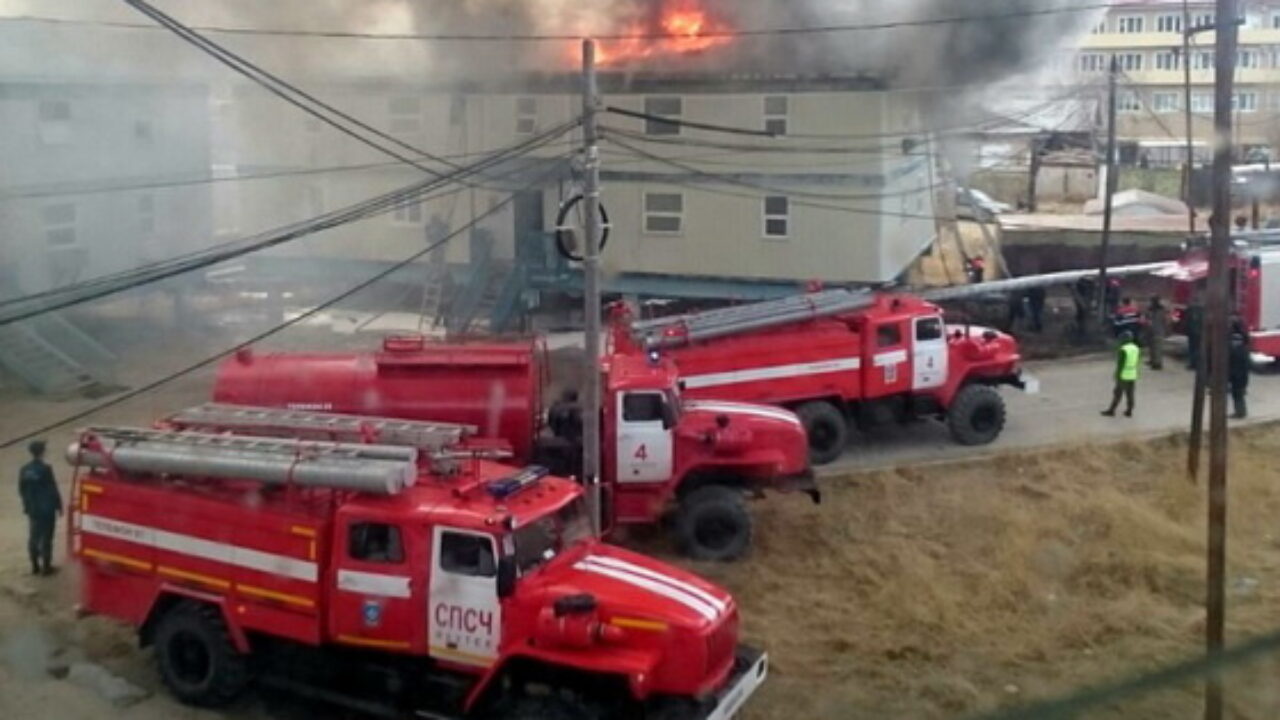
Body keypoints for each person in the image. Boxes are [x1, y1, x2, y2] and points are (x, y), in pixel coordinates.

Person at [18, 440, 62, 576]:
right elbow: (52, 488)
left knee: (34, 537)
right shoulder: (46, 469)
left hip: (33, 508)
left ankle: (35, 566)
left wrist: (27, 505)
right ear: (42, 452)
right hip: (47, 509)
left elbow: (21, 489)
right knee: (47, 538)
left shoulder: (24, 469)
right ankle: (46, 567)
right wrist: (59, 505)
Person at [1102, 331, 1140, 418]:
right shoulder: (1136, 348)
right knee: (1130, 394)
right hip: (1133, 374)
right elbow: (1138, 361)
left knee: (1117, 393)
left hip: (1123, 375)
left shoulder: (1123, 350)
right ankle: (1129, 411)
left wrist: (1116, 375)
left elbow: (1120, 365)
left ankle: (1111, 410)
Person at [1229, 321, 1251, 419]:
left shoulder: (1232, 342)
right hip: (1242, 374)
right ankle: (1241, 411)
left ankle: (1240, 412)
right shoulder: (1243, 347)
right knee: (1239, 393)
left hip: (1237, 374)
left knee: (1237, 394)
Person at [1145, 296, 1167, 370]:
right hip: (1156, 330)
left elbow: (1164, 320)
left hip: (1155, 330)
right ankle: (1154, 361)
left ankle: (1157, 363)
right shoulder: (1158, 310)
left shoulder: (1155, 310)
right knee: (1155, 347)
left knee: (1156, 347)